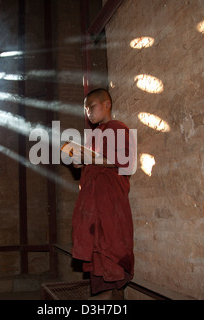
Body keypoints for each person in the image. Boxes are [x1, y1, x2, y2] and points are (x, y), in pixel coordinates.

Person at [71, 88, 135, 300]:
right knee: (96, 246)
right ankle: (108, 295)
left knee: (111, 244)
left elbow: (125, 162)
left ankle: (111, 294)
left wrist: (90, 159)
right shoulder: (94, 135)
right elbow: (94, 163)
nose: (88, 112)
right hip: (92, 203)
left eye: (91, 106)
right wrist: (80, 162)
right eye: (86, 109)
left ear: (106, 104)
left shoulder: (118, 128)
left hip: (110, 201)